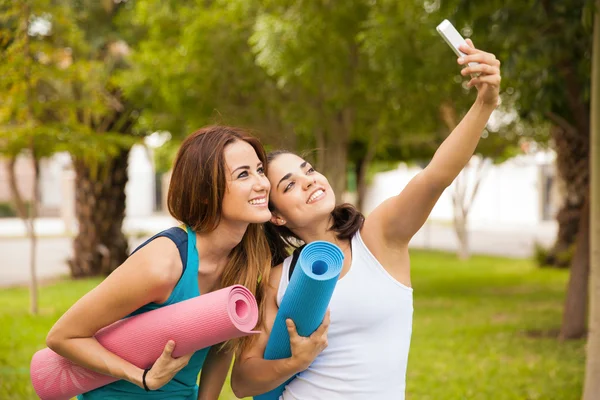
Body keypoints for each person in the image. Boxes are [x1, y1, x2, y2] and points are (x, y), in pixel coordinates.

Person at [230, 40, 501, 399]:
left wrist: (485, 103)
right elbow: (243, 382)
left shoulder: (380, 236)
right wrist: (293, 363)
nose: (309, 179)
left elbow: (435, 175)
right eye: (290, 184)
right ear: (276, 216)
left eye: (308, 169)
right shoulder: (278, 280)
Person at [45, 125, 273, 399]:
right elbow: (63, 336)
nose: (262, 183)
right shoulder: (163, 264)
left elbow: (221, 347)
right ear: (203, 192)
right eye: (243, 174)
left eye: (260, 170)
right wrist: (142, 377)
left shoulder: (244, 264)